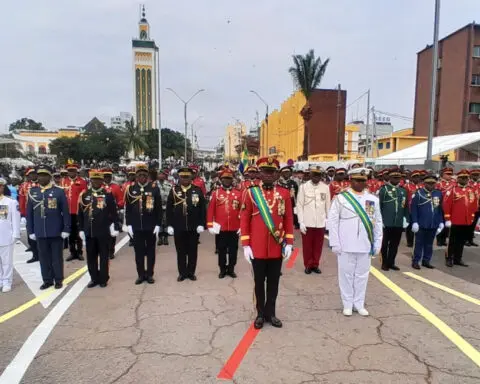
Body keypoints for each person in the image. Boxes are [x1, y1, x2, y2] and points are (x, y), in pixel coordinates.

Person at [240, 157, 294, 329]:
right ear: (260, 173)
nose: (269, 175)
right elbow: (245, 218)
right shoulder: (251, 192)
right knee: (258, 282)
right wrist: (246, 244)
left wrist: (290, 242)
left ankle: (271, 313)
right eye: (265, 171)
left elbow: (288, 219)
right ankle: (260, 314)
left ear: (277, 174)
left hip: (277, 246)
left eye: (272, 172)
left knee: (273, 282)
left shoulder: (284, 193)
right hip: (257, 247)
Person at [328, 168, 383, 317]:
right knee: (345, 275)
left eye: (363, 180)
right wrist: (335, 242)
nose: (360, 183)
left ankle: (359, 303)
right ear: (350, 180)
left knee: (362, 276)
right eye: (357, 180)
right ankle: (347, 303)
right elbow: (333, 221)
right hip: (346, 243)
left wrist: (378, 243)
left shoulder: (373, 199)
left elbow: (377, 222)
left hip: (365, 244)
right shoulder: (341, 198)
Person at [27, 165, 70, 290]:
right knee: (43, 258)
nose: (41, 178)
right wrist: (31, 230)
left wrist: (66, 228)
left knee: (56, 258)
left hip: (56, 230)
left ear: (49, 177)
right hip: (40, 231)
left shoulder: (58, 191)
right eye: (39, 175)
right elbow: (29, 213)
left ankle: (58, 279)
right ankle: (47, 280)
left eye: (44, 175)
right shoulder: (33, 192)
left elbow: (65, 212)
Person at [78, 170, 119, 288]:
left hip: (102, 231)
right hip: (89, 231)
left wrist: (116, 225)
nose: (96, 181)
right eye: (94, 179)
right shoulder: (84, 194)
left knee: (104, 256)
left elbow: (113, 212)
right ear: (90, 180)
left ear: (102, 181)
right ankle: (94, 278)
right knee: (91, 257)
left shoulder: (107, 194)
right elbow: (80, 213)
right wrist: (81, 229)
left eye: (98, 179)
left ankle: (103, 278)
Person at [125, 164, 162, 284]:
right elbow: (128, 209)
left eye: (144, 175)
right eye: (139, 175)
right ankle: (141, 274)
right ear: (136, 176)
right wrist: (128, 224)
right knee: (138, 252)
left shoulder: (154, 188)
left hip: (150, 226)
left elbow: (158, 209)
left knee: (151, 252)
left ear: (147, 176)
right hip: (136, 226)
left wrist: (158, 224)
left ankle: (150, 274)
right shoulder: (130, 189)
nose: (142, 177)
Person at [166, 166, 206, 282]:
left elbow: (202, 208)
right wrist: (169, 225)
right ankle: (182, 273)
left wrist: (202, 224)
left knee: (193, 251)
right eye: (182, 177)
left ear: (191, 177)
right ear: (179, 177)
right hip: (179, 226)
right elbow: (169, 209)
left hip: (193, 227)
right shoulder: (174, 190)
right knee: (181, 251)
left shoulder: (197, 190)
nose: (185, 179)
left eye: (187, 177)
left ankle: (191, 272)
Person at [207, 167, 241, 278]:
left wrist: (242, 225)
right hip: (220, 227)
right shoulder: (216, 193)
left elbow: (242, 210)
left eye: (229, 178)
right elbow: (210, 209)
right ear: (221, 180)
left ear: (232, 180)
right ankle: (222, 269)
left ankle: (231, 269)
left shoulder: (238, 193)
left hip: (234, 227)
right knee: (221, 249)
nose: (227, 180)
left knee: (233, 250)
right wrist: (210, 224)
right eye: (225, 178)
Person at [296, 166, 331, 274]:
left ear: (321, 176)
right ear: (310, 175)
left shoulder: (325, 187)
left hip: (320, 222)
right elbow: (299, 205)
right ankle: (308, 265)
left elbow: (327, 204)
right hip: (307, 222)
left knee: (318, 245)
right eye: (314, 175)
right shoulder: (303, 187)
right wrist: (301, 222)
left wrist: (328, 220)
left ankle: (315, 264)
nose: (316, 177)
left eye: (318, 175)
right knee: (307, 246)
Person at [443, 169, 476, 268]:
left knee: (461, 241)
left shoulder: (471, 189)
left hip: (466, 220)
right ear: (458, 179)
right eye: (462, 178)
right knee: (452, 241)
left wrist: (472, 215)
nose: (464, 180)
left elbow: (474, 203)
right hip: (455, 220)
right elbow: (446, 204)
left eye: (466, 178)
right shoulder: (452, 189)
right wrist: (447, 218)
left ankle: (458, 258)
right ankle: (449, 258)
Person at [410, 173, 444, 269]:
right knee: (418, 243)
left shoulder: (438, 193)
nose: (431, 185)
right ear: (424, 183)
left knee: (429, 244)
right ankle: (416, 261)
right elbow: (413, 209)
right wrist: (415, 222)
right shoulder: (418, 193)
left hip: (433, 223)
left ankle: (426, 260)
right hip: (421, 223)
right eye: (429, 183)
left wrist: (441, 221)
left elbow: (439, 209)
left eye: (433, 183)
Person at [379, 167, 409, 271]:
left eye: (398, 178)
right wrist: (380, 220)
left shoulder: (403, 191)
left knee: (395, 244)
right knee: (384, 244)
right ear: (389, 177)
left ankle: (391, 262)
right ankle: (384, 262)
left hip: (398, 222)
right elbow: (379, 205)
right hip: (386, 222)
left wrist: (406, 219)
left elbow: (405, 207)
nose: (396, 180)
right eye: (394, 177)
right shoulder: (384, 190)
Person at [61, 161, 87, 261]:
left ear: (76, 171)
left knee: (79, 232)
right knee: (70, 233)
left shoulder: (82, 181)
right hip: (67, 212)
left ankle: (79, 252)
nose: (71, 172)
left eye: (73, 170)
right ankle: (72, 252)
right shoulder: (64, 182)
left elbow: (85, 197)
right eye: (69, 171)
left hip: (78, 211)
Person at [0, 178, 21, 292]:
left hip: (5, 236)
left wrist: (15, 234)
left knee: (6, 262)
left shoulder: (10, 202)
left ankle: (7, 281)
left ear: (3, 187)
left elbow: (16, 219)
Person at [18, 167, 39, 263]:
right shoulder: (24, 186)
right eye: (31, 174)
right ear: (29, 176)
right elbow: (22, 200)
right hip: (29, 213)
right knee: (31, 234)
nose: (33, 175)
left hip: (40, 212)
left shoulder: (41, 184)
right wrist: (23, 214)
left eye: (35, 173)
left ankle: (41, 254)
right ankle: (35, 254)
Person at [102, 167, 124, 259]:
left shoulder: (116, 187)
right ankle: (104, 250)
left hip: (113, 213)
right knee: (103, 233)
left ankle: (111, 251)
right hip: (102, 214)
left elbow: (121, 199)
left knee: (113, 233)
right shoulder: (100, 187)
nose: (107, 178)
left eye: (109, 176)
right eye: (105, 176)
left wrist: (118, 205)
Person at [404, 170, 423, 248]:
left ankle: (418, 240)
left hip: (420, 208)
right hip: (410, 208)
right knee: (410, 226)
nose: (416, 179)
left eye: (418, 177)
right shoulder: (407, 186)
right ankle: (410, 241)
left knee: (419, 225)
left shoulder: (421, 186)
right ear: (411, 178)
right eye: (414, 177)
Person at [436, 167, 455, 246]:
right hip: (440, 206)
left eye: (450, 174)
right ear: (443, 175)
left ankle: (444, 239)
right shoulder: (439, 184)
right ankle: (439, 240)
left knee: (447, 223)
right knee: (440, 222)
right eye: (447, 174)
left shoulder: (453, 183)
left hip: (449, 207)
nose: (449, 176)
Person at [157, 170, 172, 246]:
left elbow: (171, 196)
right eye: (159, 174)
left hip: (166, 206)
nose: (161, 175)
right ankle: (160, 238)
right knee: (159, 222)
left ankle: (165, 237)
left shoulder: (169, 184)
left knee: (166, 222)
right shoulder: (154, 184)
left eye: (162, 174)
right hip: (157, 207)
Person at [466, 169, 480, 247]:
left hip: (478, 208)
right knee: (468, 224)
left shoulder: (479, 184)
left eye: (477, 175)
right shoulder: (468, 184)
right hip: (469, 208)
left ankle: (470, 240)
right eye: (474, 175)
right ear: (471, 175)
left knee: (473, 225)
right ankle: (465, 240)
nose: (476, 176)